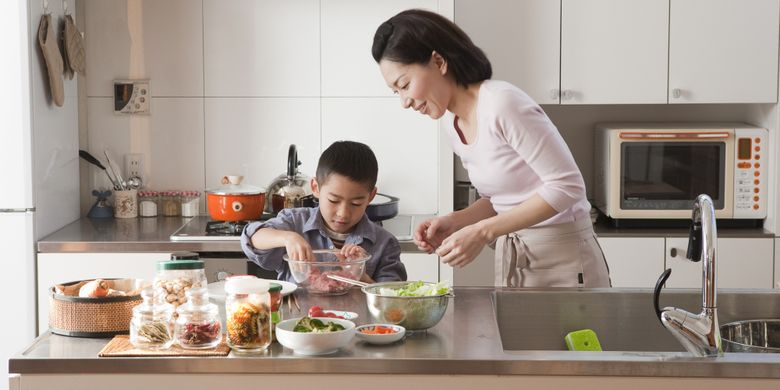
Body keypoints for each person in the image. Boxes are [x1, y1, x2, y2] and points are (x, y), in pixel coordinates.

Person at [371, 9, 610, 287]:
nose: (404, 101)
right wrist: (455, 221)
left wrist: (482, 232)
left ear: (438, 61)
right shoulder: (452, 122)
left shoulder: (502, 103)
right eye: (396, 92)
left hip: (565, 260)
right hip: (521, 259)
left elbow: (567, 186)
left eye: (405, 84)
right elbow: (499, 200)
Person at [240, 141, 407, 284]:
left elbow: (392, 300)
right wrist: (288, 238)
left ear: (371, 196)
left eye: (356, 203)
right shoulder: (294, 222)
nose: (343, 213)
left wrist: (360, 275)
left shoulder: (385, 243)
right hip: (298, 321)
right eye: (334, 201)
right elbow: (251, 237)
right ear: (315, 188)